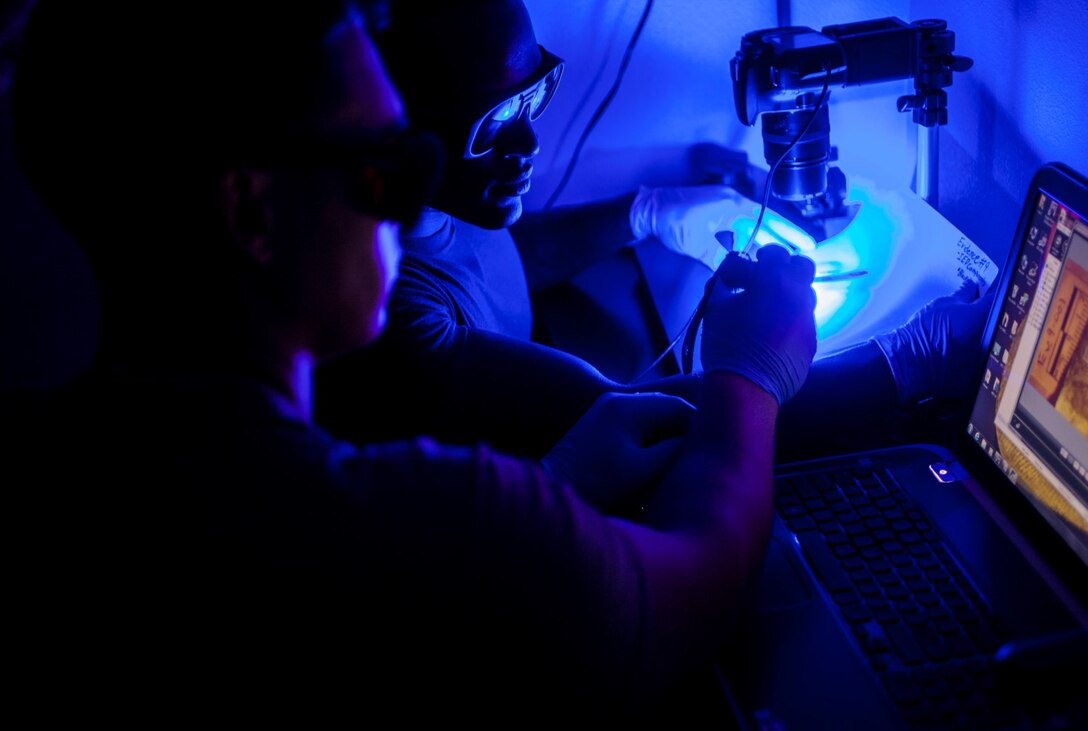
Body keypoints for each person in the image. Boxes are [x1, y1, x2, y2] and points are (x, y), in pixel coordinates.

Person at [11, 0, 821, 723]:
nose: (415, 200)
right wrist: (759, 373)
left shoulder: (61, 468)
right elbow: (691, 588)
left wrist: (553, 485)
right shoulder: (427, 519)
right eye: (389, 163)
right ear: (252, 211)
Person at [312, 0, 995, 462]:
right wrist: (906, 359)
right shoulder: (386, 317)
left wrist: (646, 212)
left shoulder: (436, 206)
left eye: (535, 95)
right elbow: (638, 424)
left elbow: (504, 258)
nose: (529, 143)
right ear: (397, 122)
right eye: (492, 122)